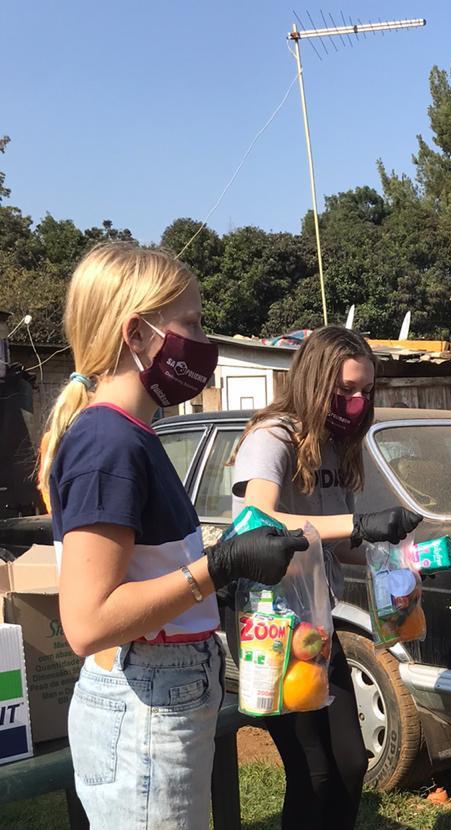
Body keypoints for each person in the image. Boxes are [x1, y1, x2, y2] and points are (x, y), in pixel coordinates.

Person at [41, 244, 308, 829]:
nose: (205, 341)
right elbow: (87, 623)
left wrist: (226, 575)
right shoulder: (108, 444)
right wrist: (220, 565)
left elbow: (150, 572)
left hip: (163, 689)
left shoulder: (134, 435)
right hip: (145, 698)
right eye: (191, 323)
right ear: (137, 334)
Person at [230, 326, 422, 830]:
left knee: (351, 763)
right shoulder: (273, 436)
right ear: (315, 382)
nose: (357, 403)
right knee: (313, 772)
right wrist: (359, 523)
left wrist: (394, 554)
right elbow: (259, 519)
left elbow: (334, 541)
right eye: (345, 390)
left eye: (366, 391)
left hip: (315, 619)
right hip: (269, 623)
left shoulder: (336, 446)